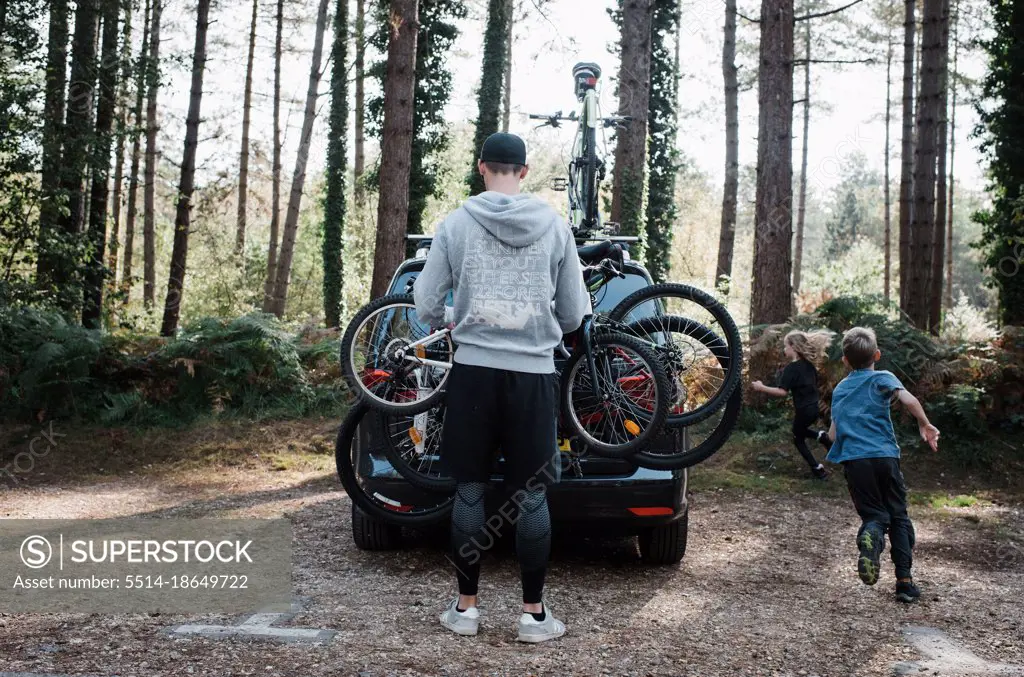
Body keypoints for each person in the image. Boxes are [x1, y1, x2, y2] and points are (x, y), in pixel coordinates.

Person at [413, 132, 588, 642]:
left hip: (472, 374)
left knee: (470, 490)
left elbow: (425, 304)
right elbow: (574, 313)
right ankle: (534, 616)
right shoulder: (555, 228)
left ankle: (466, 610)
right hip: (534, 377)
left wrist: (459, 314)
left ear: (481, 167)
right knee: (531, 495)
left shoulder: (456, 224)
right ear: (525, 172)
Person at [827, 326, 939, 603]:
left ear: (845, 361)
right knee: (899, 516)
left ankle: (872, 534)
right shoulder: (882, 378)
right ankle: (904, 582)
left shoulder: (840, 389)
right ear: (876, 354)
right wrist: (924, 424)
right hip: (885, 457)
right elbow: (909, 399)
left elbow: (832, 434)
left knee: (875, 516)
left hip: (855, 460)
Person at [751, 329, 834, 479]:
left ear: (794, 347)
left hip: (803, 410)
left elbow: (782, 392)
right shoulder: (810, 366)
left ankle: (818, 469)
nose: (784, 350)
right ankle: (822, 437)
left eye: (786, 346)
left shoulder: (792, 368)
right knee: (799, 432)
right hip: (814, 409)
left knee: (798, 438)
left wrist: (761, 387)